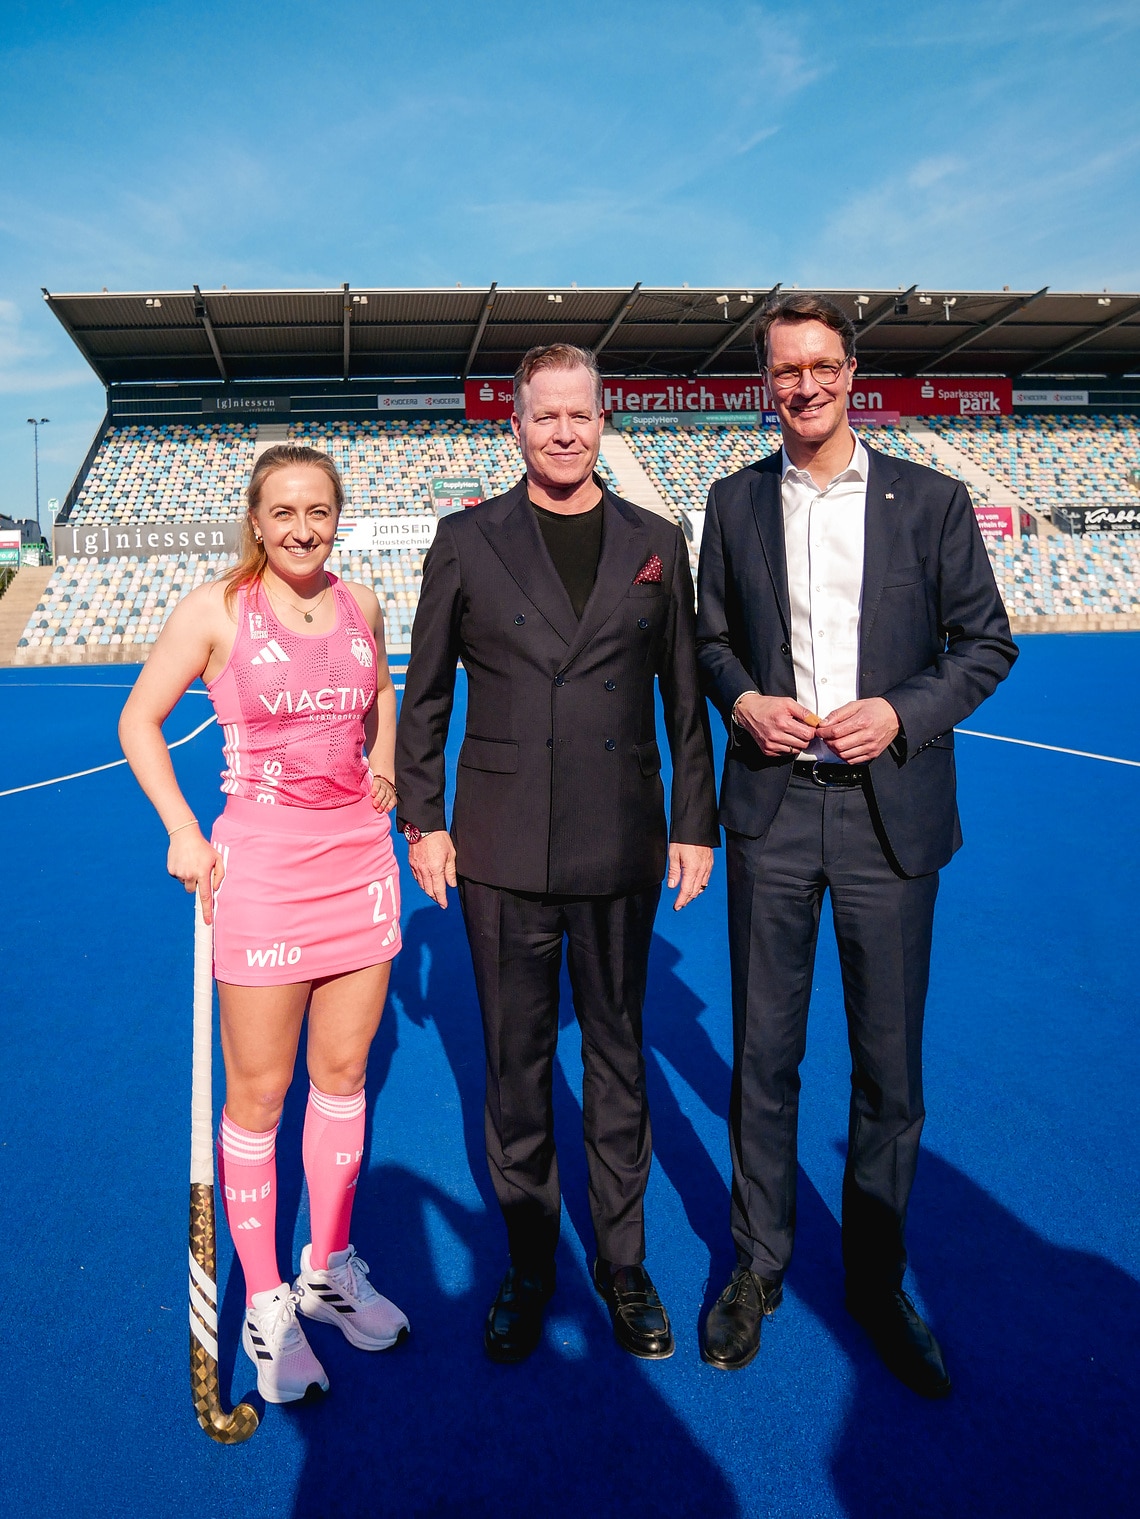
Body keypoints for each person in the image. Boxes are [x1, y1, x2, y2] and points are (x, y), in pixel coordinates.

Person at [695, 293, 1017, 1396]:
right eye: (786, 370)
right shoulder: (732, 502)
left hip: (891, 815)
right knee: (763, 1057)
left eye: (822, 366)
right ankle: (756, 1269)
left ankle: (877, 1280)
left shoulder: (932, 500)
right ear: (766, 382)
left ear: (852, 373)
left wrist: (905, 712)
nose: (805, 386)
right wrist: (742, 701)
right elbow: (710, 640)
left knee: (889, 1071)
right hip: (775, 815)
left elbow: (986, 643)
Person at [396, 343, 718, 1363]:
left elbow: (685, 701)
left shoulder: (658, 537)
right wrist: (426, 819)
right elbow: (428, 695)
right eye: (547, 418)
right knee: (516, 1066)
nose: (566, 433)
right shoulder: (465, 538)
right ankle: (530, 1260)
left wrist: (693, 821)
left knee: (619, 1062)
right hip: (498, 847)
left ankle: (623, 1266)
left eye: (582, 416)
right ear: (518, 427)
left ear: (604, 422)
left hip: (621, 842)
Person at [119, 443, 409, 1405]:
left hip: (360, 860)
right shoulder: (214, 610)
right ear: (255, 519)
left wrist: (392, 766)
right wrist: (181, 828)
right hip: (266, 871)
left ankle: (329, 1265)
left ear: (337, 515)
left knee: (342, 1073)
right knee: (259, 1092)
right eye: (282, 510)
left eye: (317, 510)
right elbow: (139, 720)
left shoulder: (362, 601)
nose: (300, 526)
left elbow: (379, 692)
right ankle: (266, 1300)